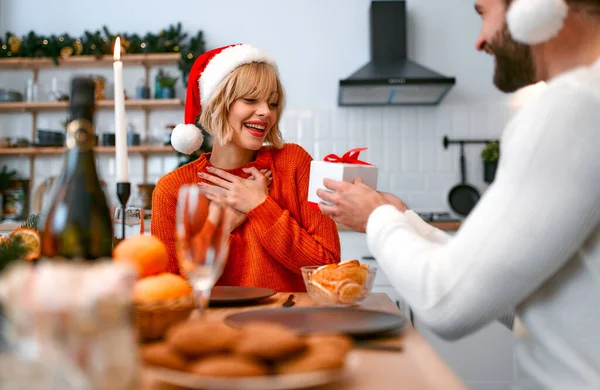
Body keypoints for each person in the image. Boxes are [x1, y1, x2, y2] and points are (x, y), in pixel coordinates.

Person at [318, 0, 600, 388]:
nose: (480, 41)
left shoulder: (574, 105)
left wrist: (375, 218)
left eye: (483, 13)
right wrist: (406, 221)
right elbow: (515, 300)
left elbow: (446, 302)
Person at [151, 44, 340, 292]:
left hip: (290, 322)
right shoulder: (172, 189)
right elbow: (170, 293)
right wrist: (221, 226)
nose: (265, 113)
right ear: (219, 104)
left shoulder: (293, 163)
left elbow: (328, 269)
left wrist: (260, 207)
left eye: (272, 104)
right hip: (213, 328)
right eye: (250, 100)